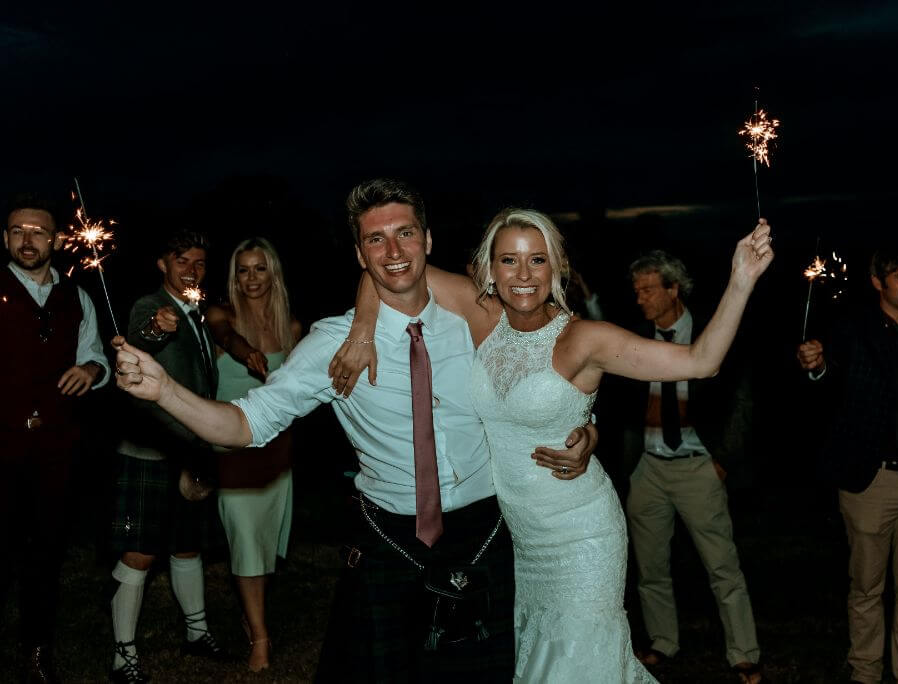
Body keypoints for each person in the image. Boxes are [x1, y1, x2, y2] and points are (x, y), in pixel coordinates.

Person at [111, 179, 597, 682]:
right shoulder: (332, 344)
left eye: (405, 234)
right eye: (375, 240)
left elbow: (550, 370)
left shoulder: (476, 322)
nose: (393, 251)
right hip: (389, 536)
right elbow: (243, 424)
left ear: (427, 242)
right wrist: (165, 389)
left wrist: (587, 429)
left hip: (484, 531)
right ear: (360, 254)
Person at [336, 207, 772, 681]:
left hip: (581, 534)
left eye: (537, 260)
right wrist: (361, 331)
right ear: (488, 268)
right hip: (519, 540)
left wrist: (741, 279)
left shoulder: (584, 339)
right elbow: (390, 272)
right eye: (508, 261)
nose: (523, 275)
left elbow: (701, 361)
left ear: (557, 267)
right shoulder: (485, 318)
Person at [796, 243, 898, 684]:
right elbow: (831, 380)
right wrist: (815, 366)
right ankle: (866, 672)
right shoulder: (853, 331)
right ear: (877, 282)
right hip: (873, 482)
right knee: (867, 588)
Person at [614, 250, 761, 684]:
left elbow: (742, 400)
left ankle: (744, 652)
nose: (640, 298)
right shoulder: (636, 338)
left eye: (648, 289)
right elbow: (624, 403)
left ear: (673, 289)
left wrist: (723, 460)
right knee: (650, 565)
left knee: (722, 565)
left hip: (699, 465)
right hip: (649, 469)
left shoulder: (712, 332)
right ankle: (663, 642)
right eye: (636, 291)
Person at [1, 193, 110, 682]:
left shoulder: (77, 295)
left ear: (58, 240)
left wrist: (91, 369)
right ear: (6, 238)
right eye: (19, 231)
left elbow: (97, 357)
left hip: (56, 448)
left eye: (39, 231)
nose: (28, 239)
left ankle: (37, 650)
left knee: (46, 552)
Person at [108, 229, 225, 683]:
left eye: (198, 263)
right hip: (150, 452)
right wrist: (157, 326)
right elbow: (143, 332)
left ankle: (196, 632)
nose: (191, 270)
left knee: (187, 544)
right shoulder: (150, 305)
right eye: (182, 261)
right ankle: (123, 655)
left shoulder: (196, 310)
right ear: (163, 264)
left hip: (191, 448)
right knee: (139, 552)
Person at [204, 237, 302, 672]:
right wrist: (249, 354)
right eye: (242, 269)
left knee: (263, 545)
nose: (251, 278)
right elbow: (226, 337)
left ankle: (251, 615)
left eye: (259, 268)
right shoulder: (220, 314)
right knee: (244, 540)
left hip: (276, 450)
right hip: (231, 447)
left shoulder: (292, 328)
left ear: (273, 273)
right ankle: (260, 638)